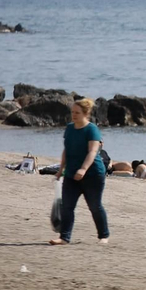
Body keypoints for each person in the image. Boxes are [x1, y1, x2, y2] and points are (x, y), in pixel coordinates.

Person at [49, 98, 111, 245]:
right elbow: (67, 150)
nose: (74, 115)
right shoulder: (70, 128)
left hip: (93, 175)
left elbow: (93, 152)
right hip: (71, 174)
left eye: (77, 112)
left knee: (95, 206)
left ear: (86, 113)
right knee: (67, 206)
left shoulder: (92, 129)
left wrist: (83, 169)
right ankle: (64, 237)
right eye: (72, 112)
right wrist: (61, 170)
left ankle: (103, 235)